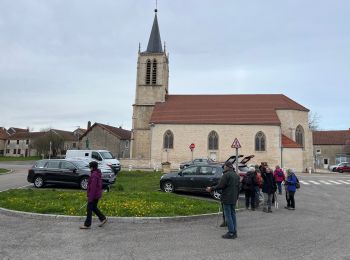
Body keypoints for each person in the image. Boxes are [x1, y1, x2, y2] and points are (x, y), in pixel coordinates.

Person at [206, 161, 240, 239]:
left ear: (227, 167)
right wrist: (237, 196)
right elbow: (239, 187)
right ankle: (234, 231)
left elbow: (220, 185)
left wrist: (211, 188)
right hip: (234, 198)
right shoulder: (236, 175)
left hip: (227, 198)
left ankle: (231, 232)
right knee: (233, 214)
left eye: (224, 166)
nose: (223, 167)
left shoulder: (226, 175)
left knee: (228, 215)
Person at [80, 161, 108, 229]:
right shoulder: (96, 173)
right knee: (94, 208)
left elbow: (93, 188)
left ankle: (87, 224)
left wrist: (90, 198)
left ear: (92, 167)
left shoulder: (94, 175)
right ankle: (103, 218)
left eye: (90, 167)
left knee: (89, 209)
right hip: (96, 195)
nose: (89, 168)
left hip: (94, 195)